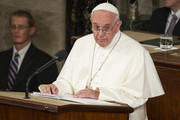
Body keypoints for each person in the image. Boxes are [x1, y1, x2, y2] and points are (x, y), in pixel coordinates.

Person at [39, 2, 164, 120]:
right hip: (80, 115)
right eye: (96, 27)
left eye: (106, 28)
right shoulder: (81, 44)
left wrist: (99, 95)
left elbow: (137, 97)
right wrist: (56, 88)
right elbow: (67, 81)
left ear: (118, 26)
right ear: (91, 23)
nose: (100, 34)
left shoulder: (136, 52)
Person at [0, 10, 58, 92]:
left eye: (21, 27)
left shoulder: (46, 61)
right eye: (13, 27)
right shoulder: (1, 57)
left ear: (32, 30)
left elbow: (46, 95)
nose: (16, 31)